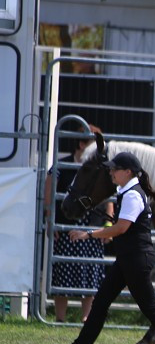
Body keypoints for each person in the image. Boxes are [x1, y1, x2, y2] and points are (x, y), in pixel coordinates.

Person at [52, 151, 155, 344]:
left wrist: (87, 234)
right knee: (101, 302)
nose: (111, 172)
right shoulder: (127, 192)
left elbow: (121, 228)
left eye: (114, 169)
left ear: (128, 172)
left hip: (136, 259)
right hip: (128, 258)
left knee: (151, 308)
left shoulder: (133, 195)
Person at [45, 125, 113, 322]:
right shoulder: (62, 165)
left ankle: (86, 318)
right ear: (81, 143)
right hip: (67, 225)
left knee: (90, 272)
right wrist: (50, 219)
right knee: (63, 271)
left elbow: (108, 198)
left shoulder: (99, 169)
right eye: (92, 144)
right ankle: (60, 317)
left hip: (92, 226)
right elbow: (49, 191)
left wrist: (108, 226)